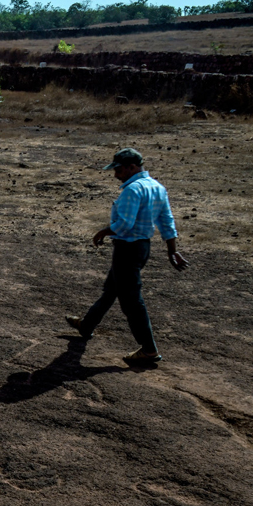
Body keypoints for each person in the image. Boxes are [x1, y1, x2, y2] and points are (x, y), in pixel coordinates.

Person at [66, 147, 189, 366]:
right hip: (142, 248)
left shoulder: (133, 189)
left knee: (131, 301)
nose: (116, 175)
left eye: (119, 170)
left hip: (127, 249)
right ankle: (87, 325)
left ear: (132, 167)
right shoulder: (158, 188)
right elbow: (167, 222)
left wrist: (103, 231)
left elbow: (124, 224)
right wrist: (172, 251)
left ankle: (149, 350)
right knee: (112, 288)